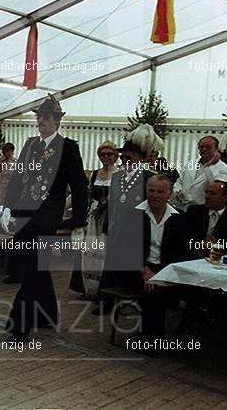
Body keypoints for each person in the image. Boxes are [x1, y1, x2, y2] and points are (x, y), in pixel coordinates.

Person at [1, 98, 89, 340]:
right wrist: (8, 208)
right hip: (24, 216)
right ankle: (47, 316)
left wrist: (79, 219)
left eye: (47, 117)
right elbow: (18, 180)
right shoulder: (29, 145)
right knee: (35, 268)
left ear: (57, 121)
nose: (41, 121)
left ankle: (18, 325)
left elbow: (80, 186)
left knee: (31, 270)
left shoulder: (68, 147)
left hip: (47, 219)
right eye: (39, 116)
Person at [95, 125, 159, 314]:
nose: (125, 161)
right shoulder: (117, 177)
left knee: (132, 265)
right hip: (117, 226)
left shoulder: (149, 177)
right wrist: (108, 226)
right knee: (112, 264)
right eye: (123, 158)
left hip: (137, 227)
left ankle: (130, 302)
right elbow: (112, 203)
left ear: (139, 158)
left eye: (129, 157)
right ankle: (105, 301)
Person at [135, 174, 186, 337]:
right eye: (151, 190)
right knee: (154, 292)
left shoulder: (179, 218)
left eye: (160, 192)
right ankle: (151, 339)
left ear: (169, 194)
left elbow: (180, 251)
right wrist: (143, 269)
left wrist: (166, 273)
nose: (155, 195)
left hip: (165, 268)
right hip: (137, 268)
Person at [69, 140, 118, 297]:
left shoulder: (120, 174)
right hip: (94, 216)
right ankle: (87, 287)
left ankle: (104, 289)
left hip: (111, 217)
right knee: (89, 250)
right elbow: (88, 196)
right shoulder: (95, 174)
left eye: (109, 154)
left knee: (105, 252)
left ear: (115, 155)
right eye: (102, 154)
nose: (106, 157)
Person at [184, 181, 227, 258]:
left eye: (212, 193)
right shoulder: (194, 211)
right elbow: (183, 238)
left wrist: (216, 246)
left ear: (225, 198)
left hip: (219, 259)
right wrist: (199, 244)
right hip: (192, 257)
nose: (207, 196)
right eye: (206, 192)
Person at [172, 135, 227, 211]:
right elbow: (180, 181)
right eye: (201, 147)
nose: (204, 149)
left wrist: (209, 165)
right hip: (182, 207)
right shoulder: (192, 163)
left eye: (208, 147)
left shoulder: (225, 169)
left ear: (216, 149)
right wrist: (177, 191)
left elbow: (217, 189)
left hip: (204, 210)